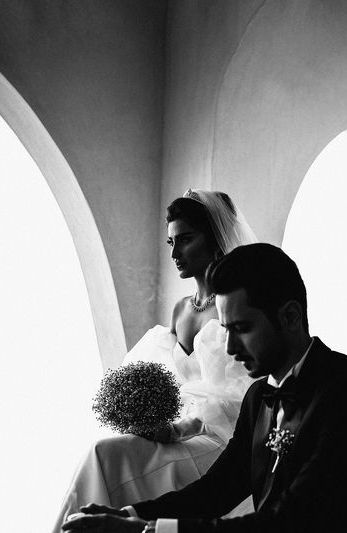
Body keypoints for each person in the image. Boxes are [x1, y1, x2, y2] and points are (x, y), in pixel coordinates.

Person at [63, 243, 347, 533]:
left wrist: (147, 531)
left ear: (291, 317)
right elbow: (216, 489)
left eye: (243, 328)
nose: (231, 348)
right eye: (226, 330)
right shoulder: (258, 397)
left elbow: (290, 522)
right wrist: (130, 514)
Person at [51, 190, 257, 532]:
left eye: (186, 240)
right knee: (107, 452)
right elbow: (173, 383)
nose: (175, 253)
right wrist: (149, 418)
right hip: (180, 435)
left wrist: (177, 430)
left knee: (106, 456)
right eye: (171, 242)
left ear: (215, 239)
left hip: (222, 443)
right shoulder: (181, 310)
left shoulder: (233, 307)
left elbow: (240, 396)